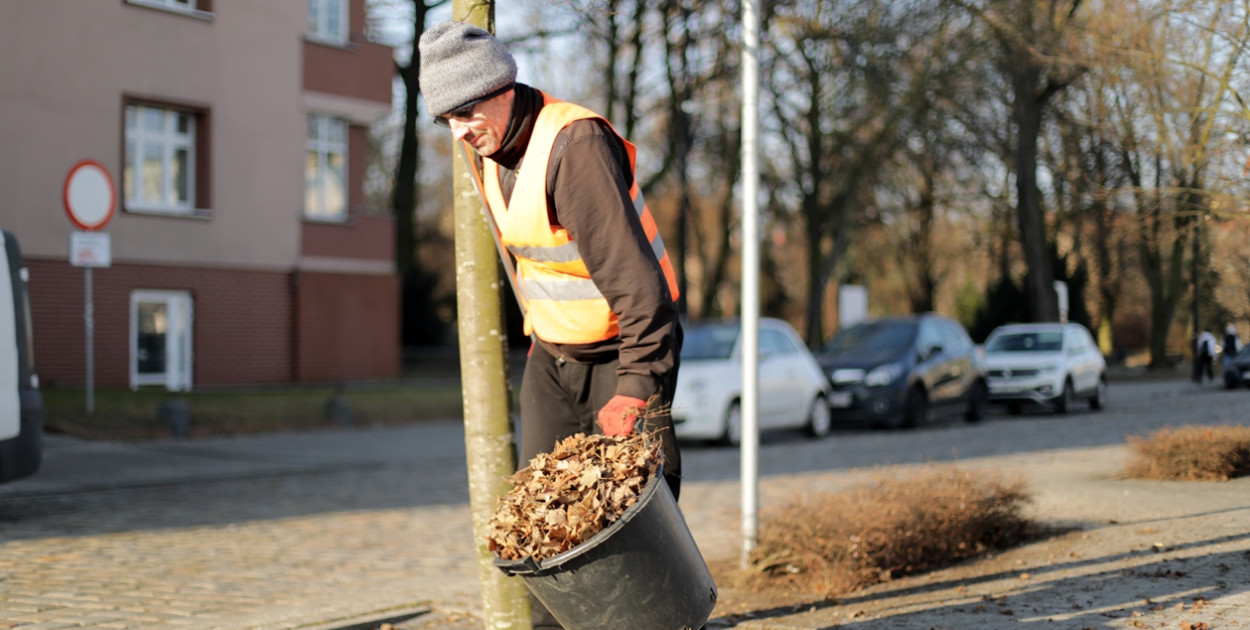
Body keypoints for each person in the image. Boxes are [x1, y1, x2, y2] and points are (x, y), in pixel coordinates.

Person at [418, 21, 685, 629]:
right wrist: (541, 334)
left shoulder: (575, 146)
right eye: (445, 120)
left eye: (465, 112)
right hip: (555, 354)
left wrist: (639, 386)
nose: (459, 132)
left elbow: (641, 287)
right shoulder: (482, 150)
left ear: (500, 86)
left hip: (625, 351)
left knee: (638, 516)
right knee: (543, 521)